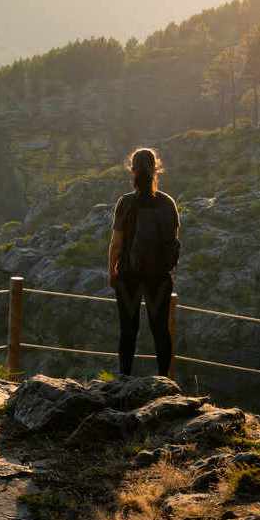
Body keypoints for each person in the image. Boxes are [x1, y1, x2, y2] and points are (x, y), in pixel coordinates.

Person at [107, 147, 180, 377]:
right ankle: (164, 382)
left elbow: (116, 244)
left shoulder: (126, 203)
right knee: (160, 331)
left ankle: (124, 379)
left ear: (132, 170)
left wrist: (112, 271)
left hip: (128, 276)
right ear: (156, 169)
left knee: (128, 330)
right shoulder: (168, 203)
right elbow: (173, 242)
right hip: (159, 277)